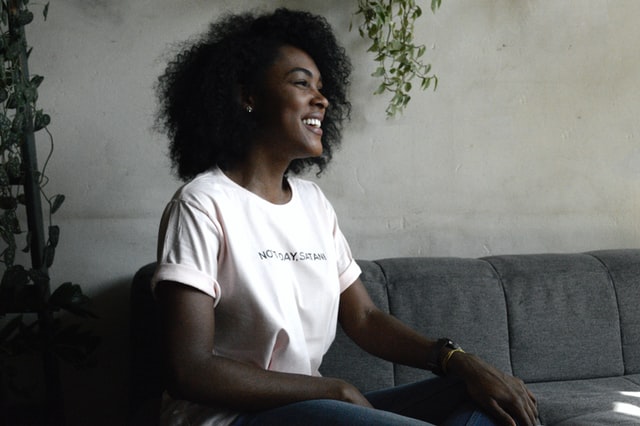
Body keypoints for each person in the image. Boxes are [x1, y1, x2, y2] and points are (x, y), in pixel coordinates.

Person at [152, 8, 538, 426]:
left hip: (310, 409)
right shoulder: (202, 205)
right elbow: (190, 370)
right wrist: (333, 389)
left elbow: (366, 319)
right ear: (248, 96)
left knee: (489, 400)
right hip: (230, 418)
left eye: (321, 86)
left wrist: (455, 359)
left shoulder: (312, 203)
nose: (322, 98)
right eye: (301, 83)